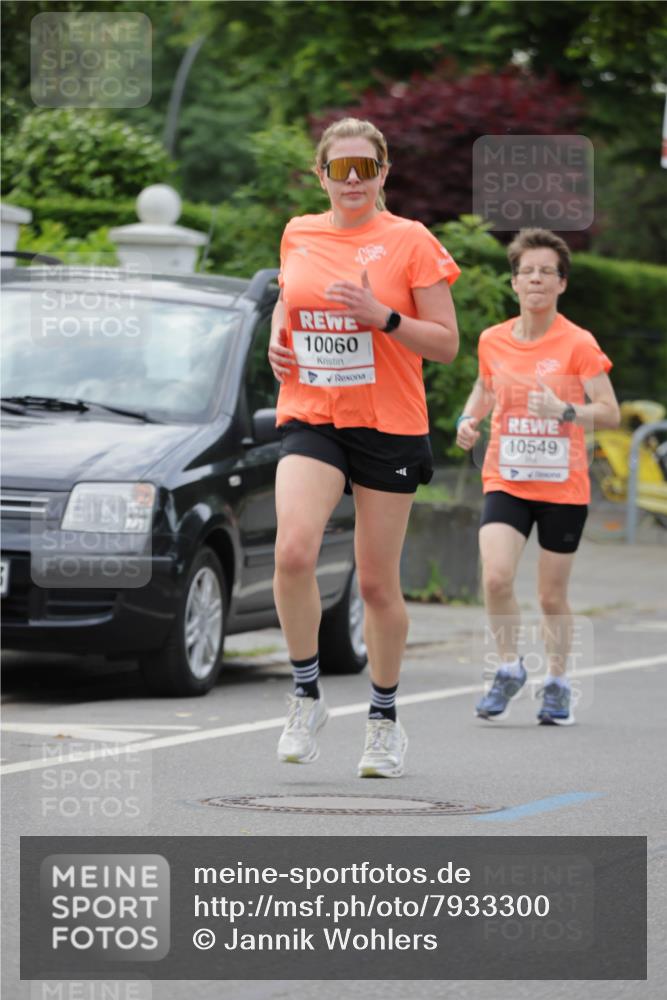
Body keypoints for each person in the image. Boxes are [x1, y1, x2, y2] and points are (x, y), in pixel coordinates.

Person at [268, 117, 460, 776]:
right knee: (293, 551)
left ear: (383, 173)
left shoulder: (410, 240)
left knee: (376, 584)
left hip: (387, 424)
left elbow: (446, 342)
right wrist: (276, 334)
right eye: (340, 168)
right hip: (313, 411)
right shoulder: (299, 231)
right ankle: (305, 695)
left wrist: (384, 318)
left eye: (365, 168)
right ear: (320, 174)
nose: (353, 180)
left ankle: (383, 720)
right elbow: (288, 295)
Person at [457, 228, 620, 725]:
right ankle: (509, 667)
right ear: (514, 282)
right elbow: (485, 388)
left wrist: (565, 410)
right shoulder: (493, 339)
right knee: (495, 577)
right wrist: (468, 419)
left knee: (551, 596)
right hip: (506, 478)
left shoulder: (578, 343)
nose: (536, 280)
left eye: (546, 272)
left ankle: (558, 683)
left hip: (562, 487)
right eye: (527, 271)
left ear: (561, 283)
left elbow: (610, 412)